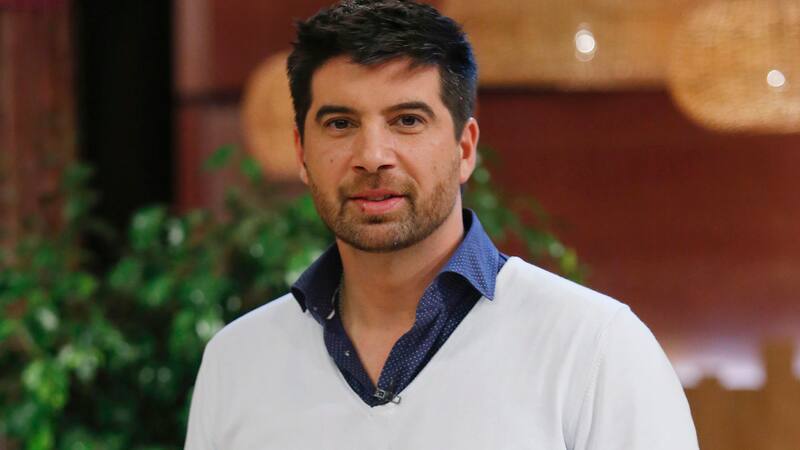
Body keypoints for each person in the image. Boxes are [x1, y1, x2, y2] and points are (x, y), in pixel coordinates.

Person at [185, 1, 698, 449]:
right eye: (340, 124)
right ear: (302, 153)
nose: (372, 155)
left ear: (465, 148)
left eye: (407, 120)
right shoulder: (237, 361)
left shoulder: (594, 348)